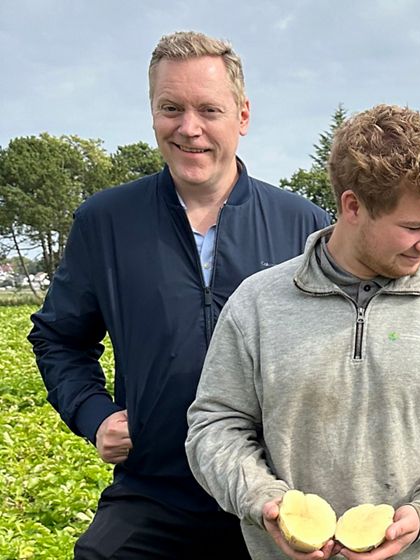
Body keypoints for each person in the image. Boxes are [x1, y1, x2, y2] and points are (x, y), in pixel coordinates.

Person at [27, 31, 330, 559]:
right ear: (152, 113)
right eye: (171, 108)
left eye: (209, 109)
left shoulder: (303, 227)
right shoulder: (107, 222)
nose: (189, 128)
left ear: (242, 115)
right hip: (155, 490)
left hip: (276, 495)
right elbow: (59, 337)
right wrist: (94, 413)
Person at [185, 104, 420, 560]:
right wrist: (262, 500)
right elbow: (215, 424)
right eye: (413, 227)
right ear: (353, 206)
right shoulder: (258, 303)